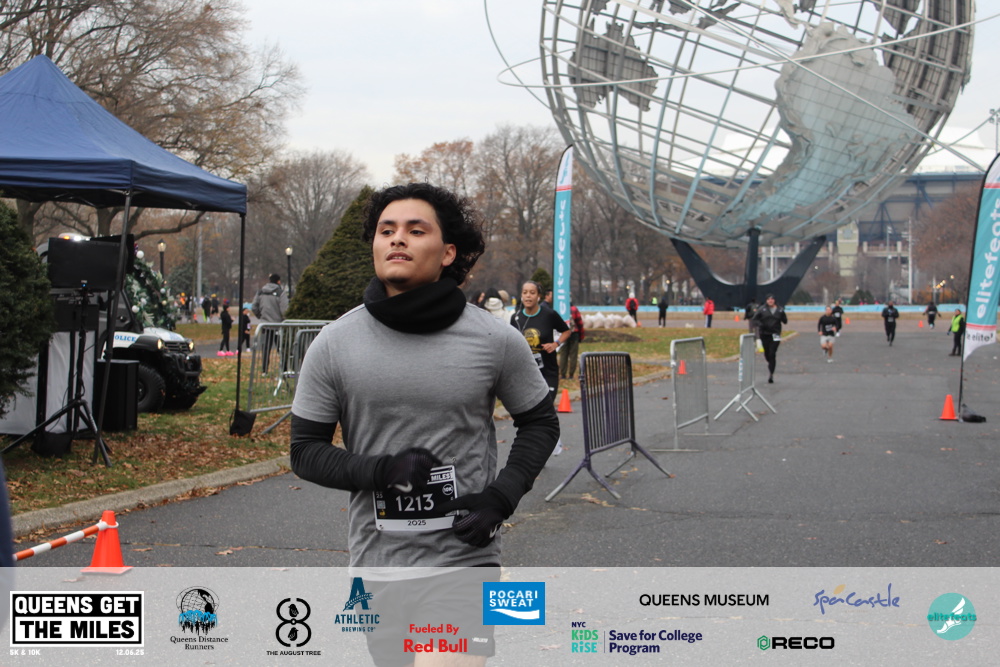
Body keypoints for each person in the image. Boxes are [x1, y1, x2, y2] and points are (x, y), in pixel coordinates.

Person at [289, 183, 558, 666]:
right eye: (386, 230)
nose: (398, 239)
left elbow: (540, 422)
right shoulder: (334, 342)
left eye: (416, 230)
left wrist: (501, 497)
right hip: (377, 564)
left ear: (448, 252)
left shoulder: (494, 339)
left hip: (465, 560)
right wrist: (382, 471)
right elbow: (305, 450)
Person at [512, 281, 570, 455]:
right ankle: (536, 445)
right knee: (530, 413)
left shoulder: (549, 314)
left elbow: (567, 331)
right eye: (525, 292)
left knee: (546, 408)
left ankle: (551, 440)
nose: (528, 296)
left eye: (532, 293)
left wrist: (555, 344)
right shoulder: (515, 318)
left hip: (548, 371)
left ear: (538, 296)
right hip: (526, 373)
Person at [251, 273, 288, 373]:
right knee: (281, 349)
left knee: (265, 349)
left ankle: (264, 370)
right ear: (278, 281)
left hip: (265, 325)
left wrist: (260, 316)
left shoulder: (261, 292)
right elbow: (285, 310)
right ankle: (284, 370)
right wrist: (283, 319)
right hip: (278, 325)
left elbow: (254, 307)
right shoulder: (281, 293)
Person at [752, 294, 787, 384]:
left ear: (774, 300)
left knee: (772, 353)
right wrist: (760, 324)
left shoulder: (779, 310)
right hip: (765, 334)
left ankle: (771, 374)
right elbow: (754, 319)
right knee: (767, 353)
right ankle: (770, 362)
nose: (770, 301)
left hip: (775, 334)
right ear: (766, 301)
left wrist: (783, 317)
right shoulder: (762, 309)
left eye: (772, 299)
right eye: (769, 299)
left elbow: (785, 321)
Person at [559, 301, 585, 380]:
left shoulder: (560, 309)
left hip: (563, 334)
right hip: (574, 334)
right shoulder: (574, 309)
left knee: (563, 354)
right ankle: (571, 375)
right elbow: (579, 323)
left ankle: (563, 374)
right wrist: (581, 336)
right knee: (573, 355)